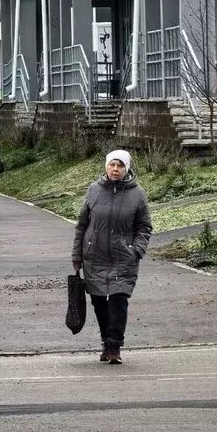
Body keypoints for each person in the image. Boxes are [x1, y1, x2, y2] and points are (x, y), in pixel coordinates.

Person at [71, 150, 153, 366]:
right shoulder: (94, 190)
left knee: (118, 299)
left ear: (126, 169)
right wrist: (77, 254)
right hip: (94, 255)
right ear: (106, 167)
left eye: (120, 166)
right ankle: (106, 341)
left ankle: (114, 345)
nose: (115, 169)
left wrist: (137, 249)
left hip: (123, 257)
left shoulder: (138, 194)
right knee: (99, 301)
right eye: (112, 165)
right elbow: (82, 224)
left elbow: (144, 226)